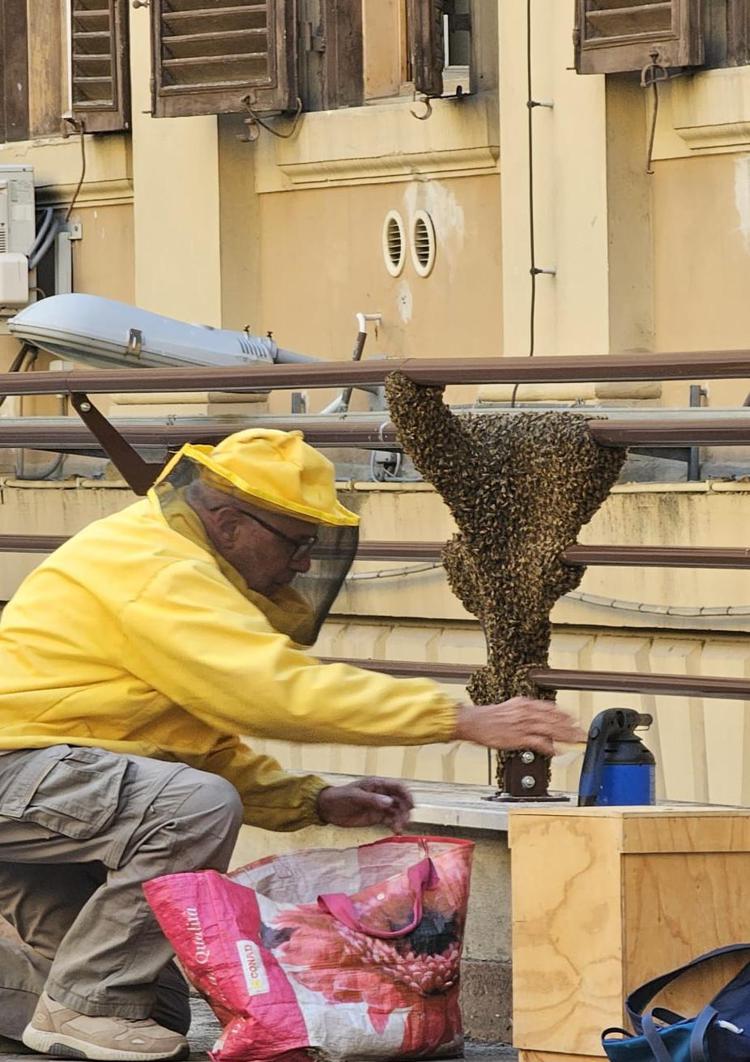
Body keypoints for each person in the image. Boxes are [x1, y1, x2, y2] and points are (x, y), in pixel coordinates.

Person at [0, 428, 582, 1062]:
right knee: (116, 965)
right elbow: (268, 690)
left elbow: (190, 744)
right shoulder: (156, 570)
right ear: (228, 524)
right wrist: (459, 719)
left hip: (45, 792)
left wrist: (313, 801)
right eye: (296, 542)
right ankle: (82, 1007)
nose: (304, 563)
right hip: (20, 775)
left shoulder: (176, 565)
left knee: (152, 1013)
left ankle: (76, 1006)